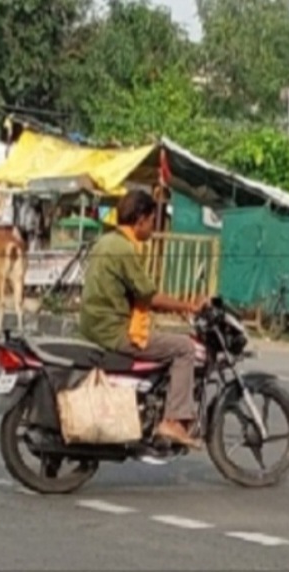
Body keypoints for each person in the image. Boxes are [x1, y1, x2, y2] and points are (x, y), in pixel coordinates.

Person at [78, 189, 207, 450]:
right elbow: (149, 294)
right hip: (115, 332)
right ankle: (173, 420)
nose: (152, 228)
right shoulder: (124, 249)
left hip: (96, 327)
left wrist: (176, 306)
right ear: (140, 220)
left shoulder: (107, 241)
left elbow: (138, 294)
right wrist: (190, 306)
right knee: (183, 348)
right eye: (151, 221)